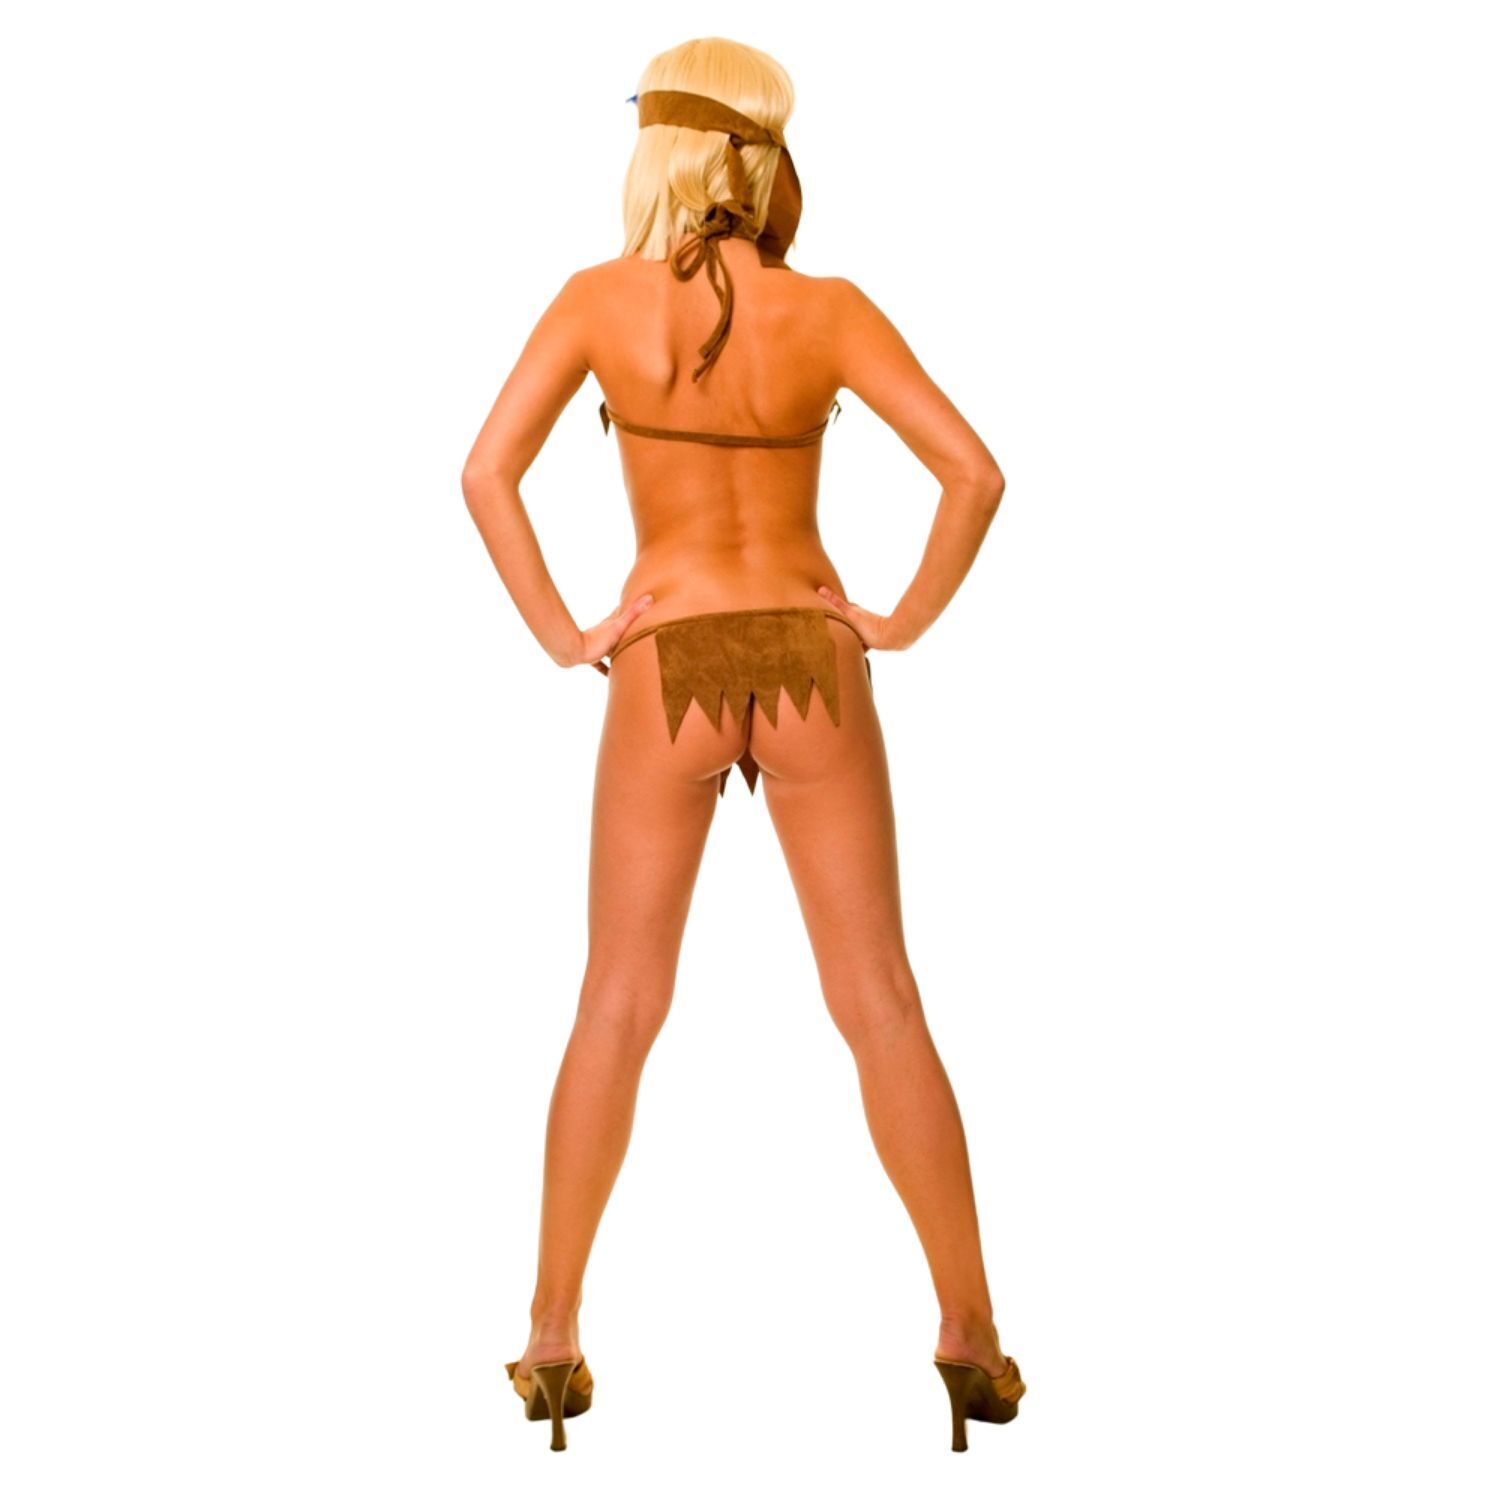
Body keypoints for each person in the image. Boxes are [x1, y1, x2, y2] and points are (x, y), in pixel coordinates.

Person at [461, 37, 1020, 1454]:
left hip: (669, 657)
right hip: (808, 651)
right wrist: (895, 622)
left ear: (656, 150)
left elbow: (485, 471)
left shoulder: (598, 303)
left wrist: (568, 634)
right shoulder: (826, 309)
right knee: (881, 1000)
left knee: (617, 1002)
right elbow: (974, 472)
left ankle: (551, 1336)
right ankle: (969, 1332)